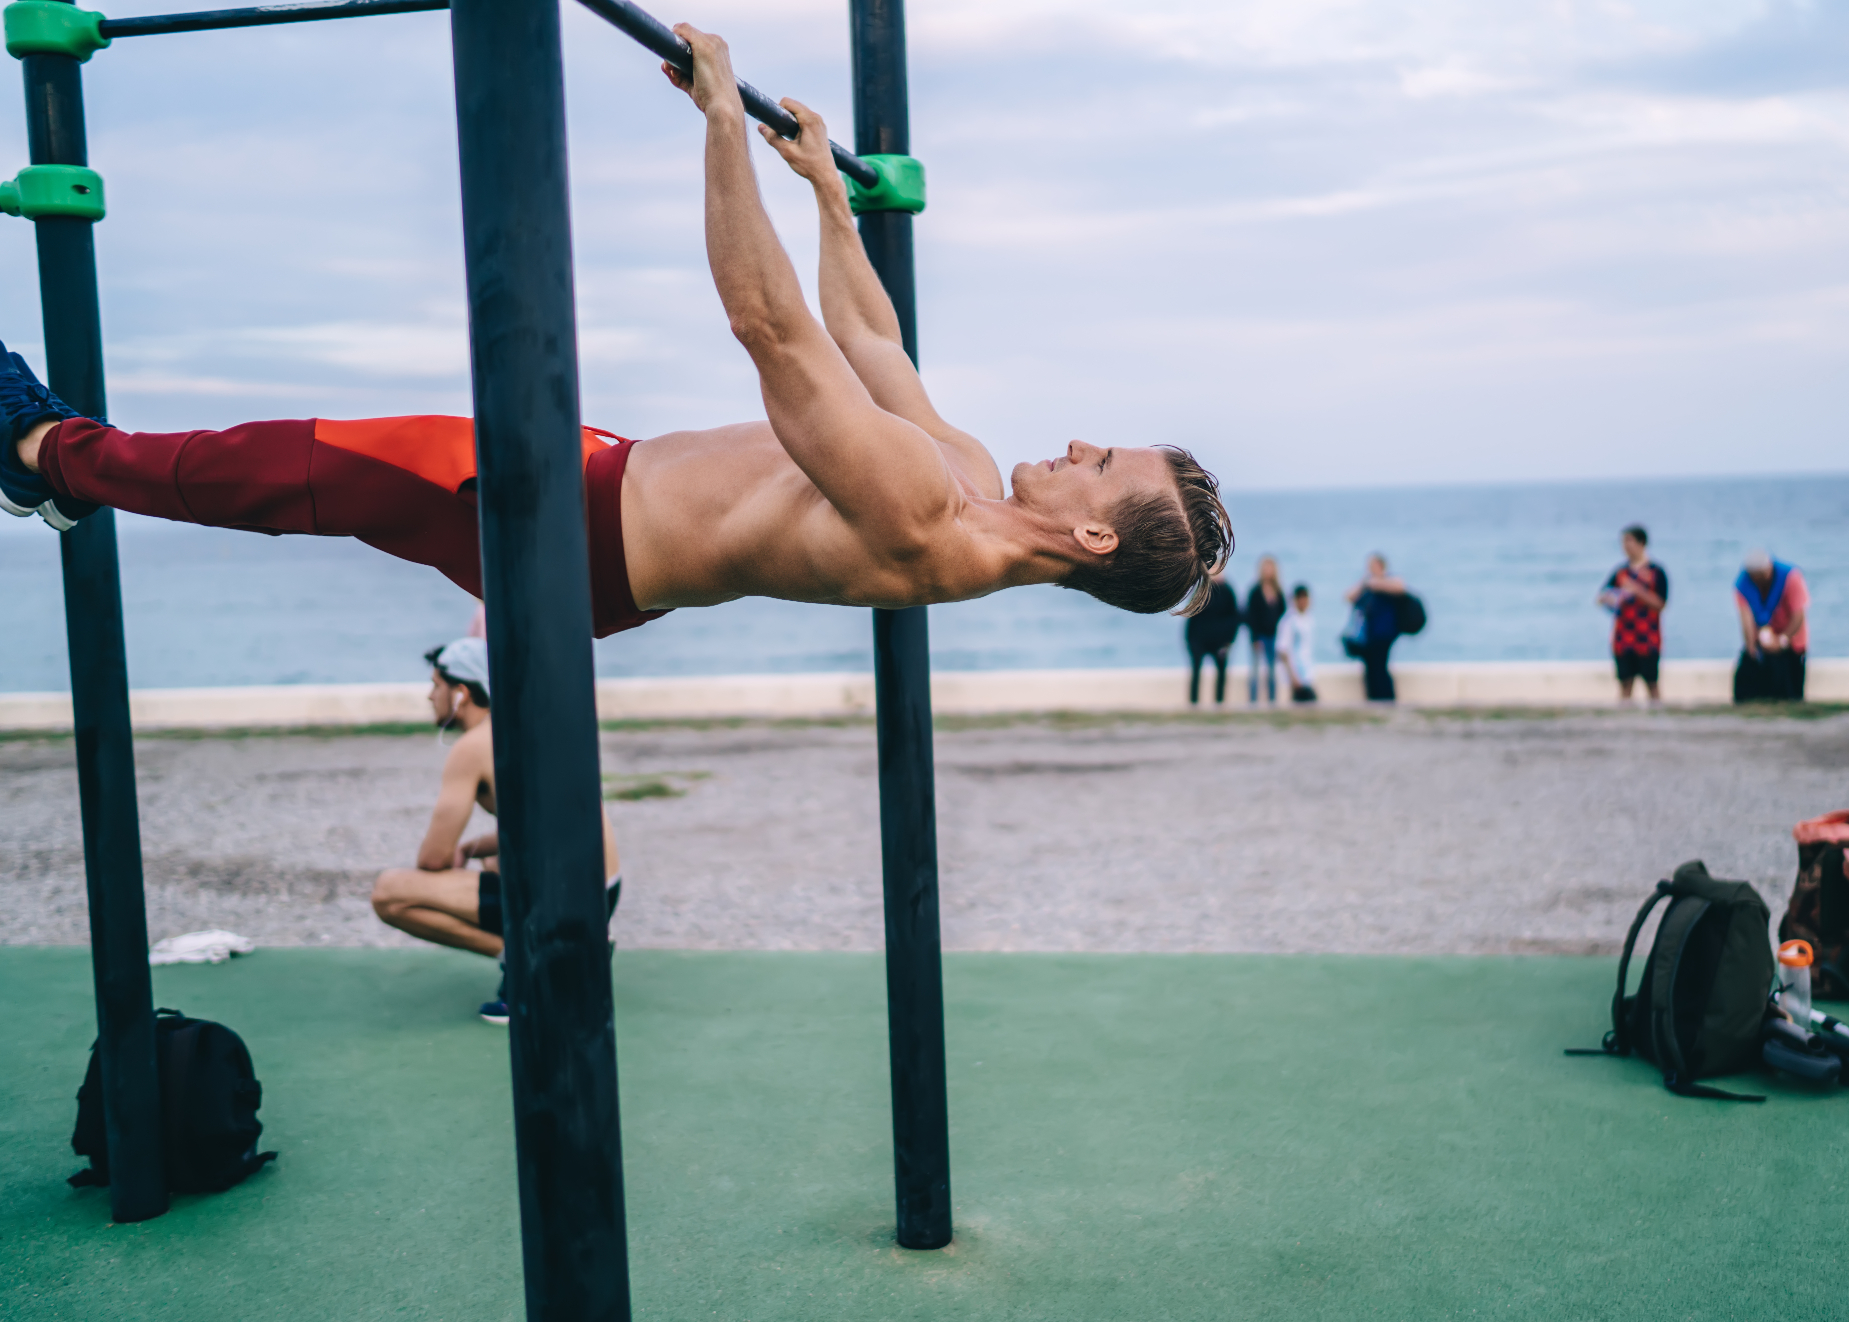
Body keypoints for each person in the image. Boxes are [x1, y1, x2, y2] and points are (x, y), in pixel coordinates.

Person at [0, 26, 1231, 638]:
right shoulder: (958, 475)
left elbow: (772, 333)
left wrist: (713, 122)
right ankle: (65, 463)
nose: (1078, 440)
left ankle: (42, 454)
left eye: (1101, 462)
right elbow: (870, 349)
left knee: (275, 467)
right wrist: (821, 194)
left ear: (1086, 530)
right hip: (602, 488)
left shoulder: (923, 512)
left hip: (565, 525)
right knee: (287, 471)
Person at [368, 639, 622, 1024]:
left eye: (436, 685)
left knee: (389, 892)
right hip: (604, 890)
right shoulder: (529, 725)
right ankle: (566, 950)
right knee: (492, 859)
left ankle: (532, 967)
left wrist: (454, 858)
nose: (429, 695)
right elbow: (543, 822)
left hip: (565, 900)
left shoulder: (472, 747)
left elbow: (433, 859)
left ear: (461, 693)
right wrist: (473, 849)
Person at [1597, 524, 1668, 705]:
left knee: (1651, 683)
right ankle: (1623, 720)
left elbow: (1661, 604)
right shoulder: (1620, 573)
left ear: (1641, 543)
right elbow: (1602, 596)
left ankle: (1658, 717)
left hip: (1648, 637)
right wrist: (1610, 599)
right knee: (1625, 683)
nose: (1626, 547)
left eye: (1629, 541)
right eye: (1623, 542)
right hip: (1624, 637)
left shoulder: (1656, 572)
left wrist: (1637, 591)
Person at [1733, 549, 1810, 703]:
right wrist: (1751, 648)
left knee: (1790, 693)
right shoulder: (1744, 585)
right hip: (1762, 640)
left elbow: (1798, 615)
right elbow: (1746, 619)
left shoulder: (1790, 578)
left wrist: (1782, 641)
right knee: (1748, 685)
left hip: (1790, 643)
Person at [1344, 553, 1406, 703]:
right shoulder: (1367, 585)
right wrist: (1365, 582)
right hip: (1368, 635)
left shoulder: (1389, 581)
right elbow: (1348, 597)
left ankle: (1386, 698)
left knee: (1380, 667)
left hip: (1385, 634)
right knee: (1370, 669)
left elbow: (1400, 587)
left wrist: (1377, 582)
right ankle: (1374, 698)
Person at [1184, 563, 1240, 705]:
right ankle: (1194, 704)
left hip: (1220, 642)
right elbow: (1191, 616)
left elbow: (1235, 618)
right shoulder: (1200, 590)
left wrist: (1229, 642)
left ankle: (1219, 704)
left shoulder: (1228, 591)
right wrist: (1190, 641)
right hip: (1199, 641)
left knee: (1221, 675)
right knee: (1196, 674)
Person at [1241, 556, 1286, 705]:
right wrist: (1254, 638)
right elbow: (1250, 616)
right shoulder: (1255, 592)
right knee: (1255, 671)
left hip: (1274, 637)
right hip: (1259, 637)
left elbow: (1283, 615)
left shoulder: (1278, 592)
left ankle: (1272, 702)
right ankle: (1253, 703)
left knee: (1272, 671)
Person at [1275, 584, 1317, 704]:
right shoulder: (1288, 621)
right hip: (1296, 674)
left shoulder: (1309, 619)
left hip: (1307, 672)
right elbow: (1283, 651)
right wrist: (1293, 676)